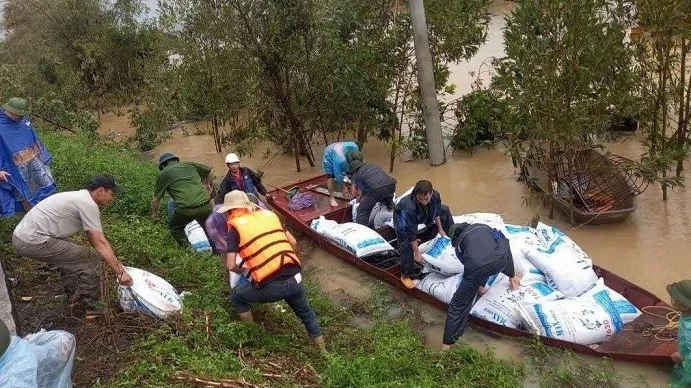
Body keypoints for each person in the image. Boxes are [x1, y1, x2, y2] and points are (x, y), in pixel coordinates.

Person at [11, 174, 133, 317]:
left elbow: (93, 238)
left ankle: (74, 299)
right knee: (91, 259)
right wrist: (120, 271)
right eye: (111, 194)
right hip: (33, 240)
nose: (112, 199)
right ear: (101, 190)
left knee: (72, 254)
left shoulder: (80, 198)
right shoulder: (87, 203)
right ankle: (94, 309)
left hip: (23, 237)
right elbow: (99, 242)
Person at [218, 190, 325, 351]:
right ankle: (323, 351)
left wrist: (245, 271)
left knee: (237, 297)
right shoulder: (270, 216)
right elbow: (293, 242)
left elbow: (231, 265)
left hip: (271, 286)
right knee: (306, 313)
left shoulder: (235, 227)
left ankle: (255, 338)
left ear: (229, 211)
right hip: (295, 278)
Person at [440, 223, 522, 350]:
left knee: (458, 305)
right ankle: (512, 280)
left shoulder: (459, 247)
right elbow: (502, 240)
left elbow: (471, 266)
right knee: (495, 256)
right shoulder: (482, 226)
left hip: (478, 268)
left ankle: (447, 345)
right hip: (501, 258)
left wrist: (474, 287)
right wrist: (511, 274)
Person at [0, 97, 56, 216]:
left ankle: (50, 213)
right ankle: (34, 219)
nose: (21, 117)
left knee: (45, 183)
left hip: (32, 157)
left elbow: (32, 137)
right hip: (13, 166)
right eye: (18, 115)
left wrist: (41, 153)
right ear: (10, 111)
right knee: (23, 192)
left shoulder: (22, 120)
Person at [393, 180, 453, 288]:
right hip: (403, 219)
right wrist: (417, 253)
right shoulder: (409, 207)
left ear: (431, 193)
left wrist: (440, 229)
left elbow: (437, 212)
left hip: (424, 213)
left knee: (445, 209)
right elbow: (410, 232)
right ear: (416, 194)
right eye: (420, 199)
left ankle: (452, 238)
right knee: (406, 244)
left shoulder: (435, 196)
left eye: (426, 199)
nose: (424, 201)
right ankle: (406, 275)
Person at [152, 152, 213, 246]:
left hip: (187, 210)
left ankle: (189, 251)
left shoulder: (164, 173)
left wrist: (155, 213)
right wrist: (207, 184)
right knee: (208, 228)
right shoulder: (190, 164)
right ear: (176, 160)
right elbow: (210, 171)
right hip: (206, 205)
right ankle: (217, 252)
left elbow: (156, 200)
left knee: (175, 227)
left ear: (163, 166)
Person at [345, 150, 396, 227]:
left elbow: (363, 191)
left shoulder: (357, 175)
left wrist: (360, 199)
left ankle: (362, 231)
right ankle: (391, 207)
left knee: (362, 210)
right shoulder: (371, 166)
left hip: (377, 190)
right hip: (391, 185)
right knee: (384, 197)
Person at [667, 279, 691, 387]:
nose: (672, 299)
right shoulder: (686, 315)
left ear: (684, 305)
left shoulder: (687, 336)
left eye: (675, 298)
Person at [322, 141, 359, 207]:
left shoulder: (355, 147)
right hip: (329, 154)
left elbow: (354, 169)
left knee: (351, 171)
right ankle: (332, 198)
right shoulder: (339, 160)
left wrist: (353, 183)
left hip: (339, 148)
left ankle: (352, 187)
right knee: (331, 177)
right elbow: (338, 175)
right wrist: (343, 188)